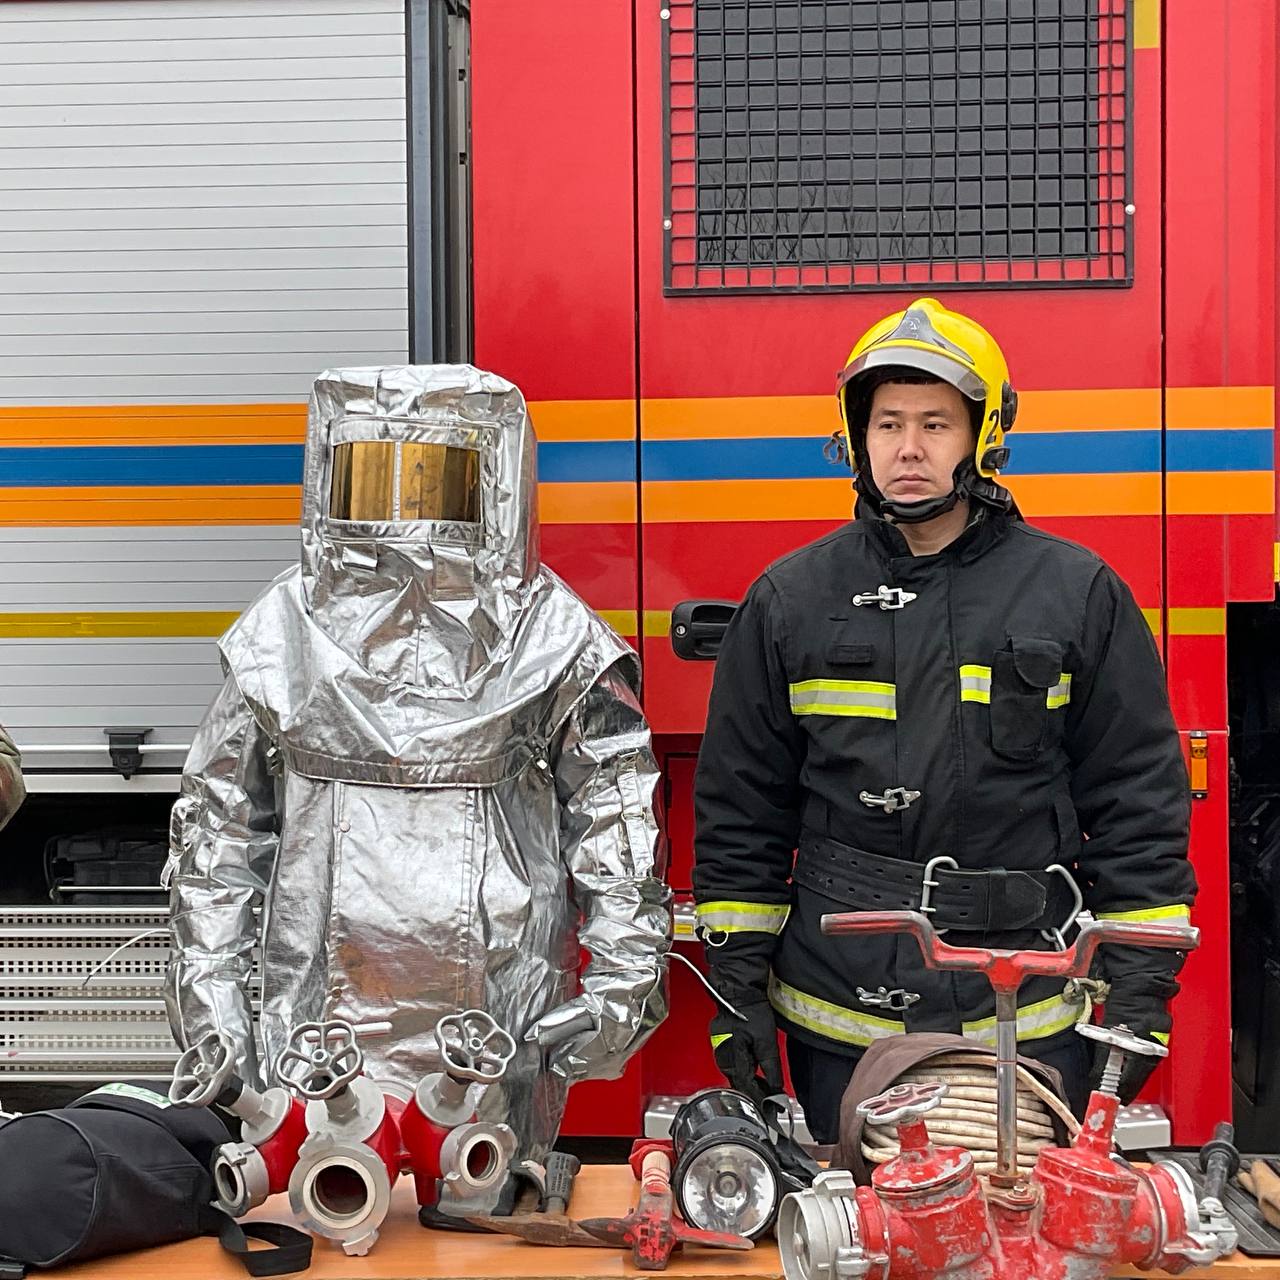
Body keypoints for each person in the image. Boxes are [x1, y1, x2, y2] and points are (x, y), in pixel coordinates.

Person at [692, 299, 1195, 1140]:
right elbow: (741, 813)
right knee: (853, 1218)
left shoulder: (1077, 594)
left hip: (1029, 1005)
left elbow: (1137, 800)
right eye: (887, 424)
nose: (909, 448)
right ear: (856, 438)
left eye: (935, 424)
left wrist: (1141, 987)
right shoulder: (789, 602)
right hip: (840, 1016)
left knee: (1023, 1216)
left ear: (983, 435)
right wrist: (735, 987)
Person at [164, 365, 670, 1160]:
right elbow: (215, 844)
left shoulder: (553, 640)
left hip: (495, 1029)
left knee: (476, 1210)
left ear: (496, 482)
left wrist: (620, 988)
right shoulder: (281, 636)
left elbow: (620, 831)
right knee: (327, 1198)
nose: (406, 515)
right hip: (314, 1036)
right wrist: (215, 1012)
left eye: (436, 479)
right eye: (375, 476)